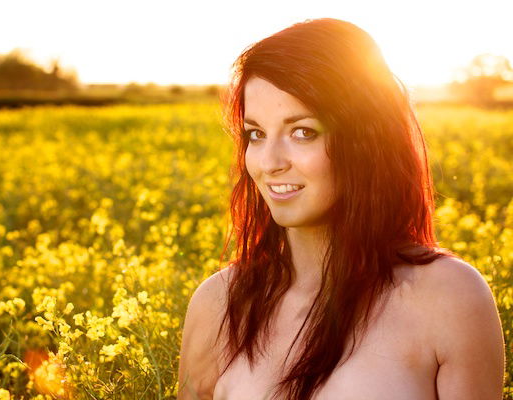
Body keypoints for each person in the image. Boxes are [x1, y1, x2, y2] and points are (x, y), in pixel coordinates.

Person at [178, 17, 505, 400]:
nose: (269, 162)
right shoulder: (218, 305)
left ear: (367, 140)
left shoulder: (449, 299)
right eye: (256, 134)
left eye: (303, 132)